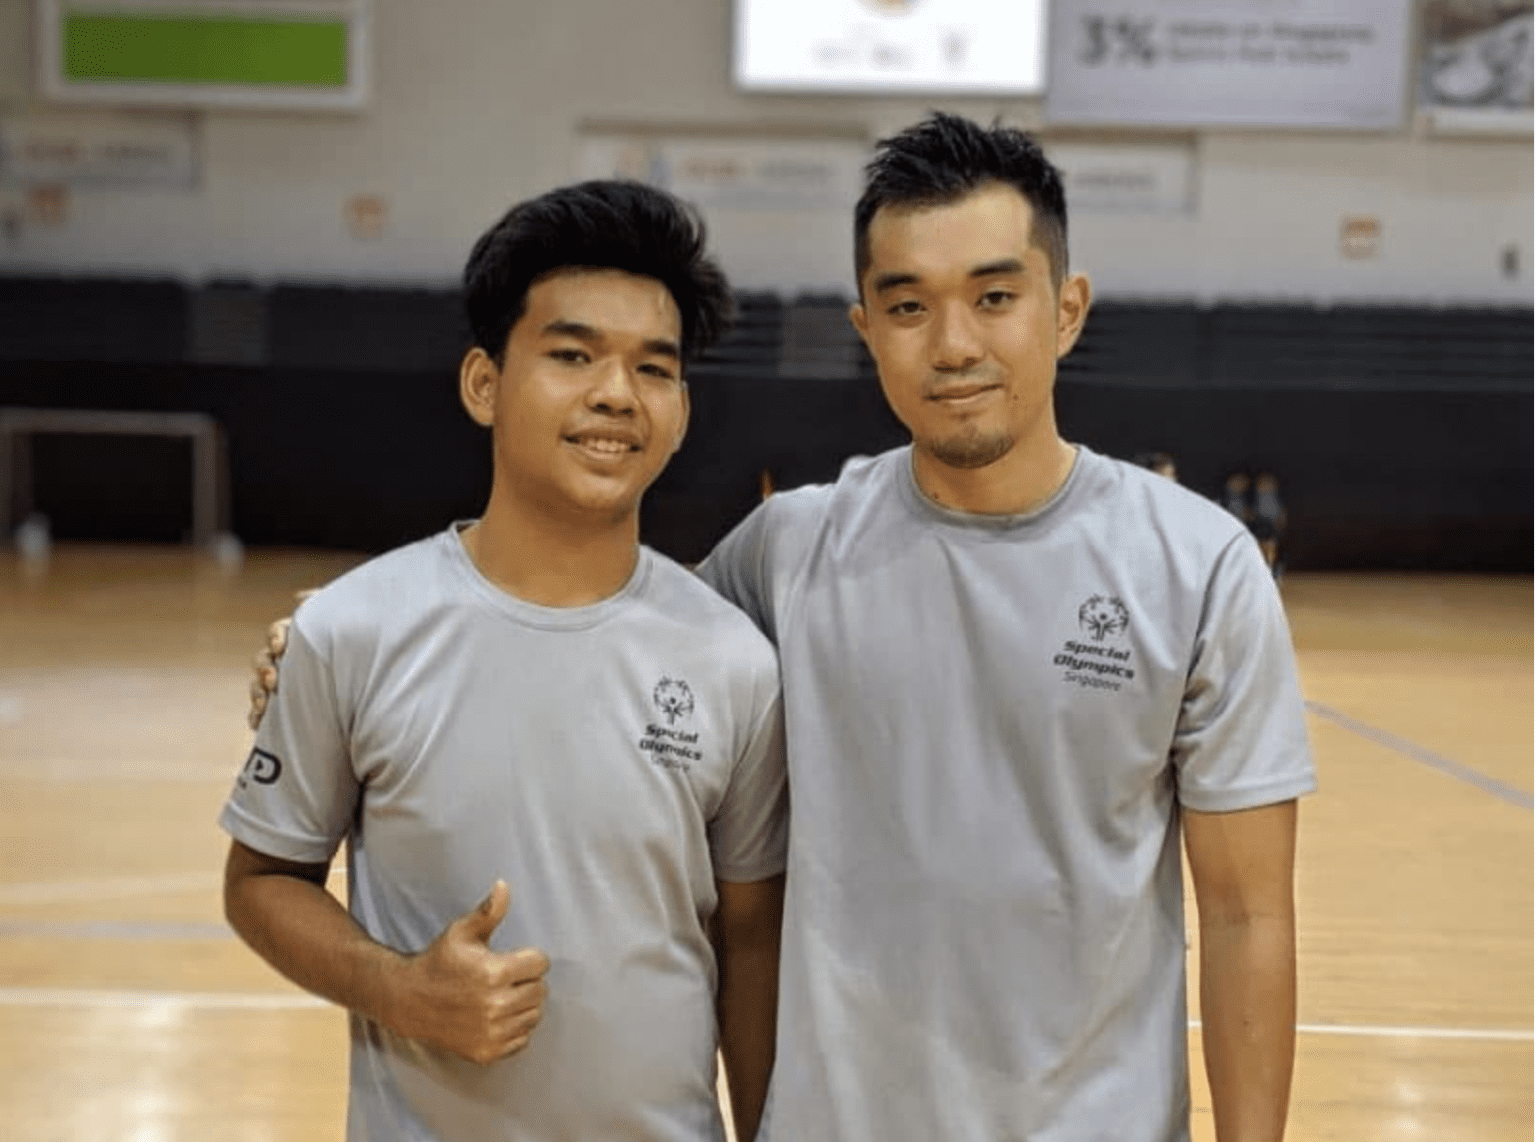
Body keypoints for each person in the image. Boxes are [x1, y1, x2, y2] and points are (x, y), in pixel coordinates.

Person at [253, 114, 1316, 1141]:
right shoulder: (788, 549)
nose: (953, 343)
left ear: (1067, 308)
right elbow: (589, 620)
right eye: (907, 306)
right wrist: (334, 640)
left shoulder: (1199, 566)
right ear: (865, 327)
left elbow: (1246, 916)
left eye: (995, 296)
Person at [224, 180, 787, 1142]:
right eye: (573, 355)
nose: (616, 393)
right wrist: (401, 991)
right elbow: (262, 881)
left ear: (682, 410)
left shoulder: (735, 660)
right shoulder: (353, 628)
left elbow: (749, 943)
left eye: (653, 369)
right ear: (484, 382)